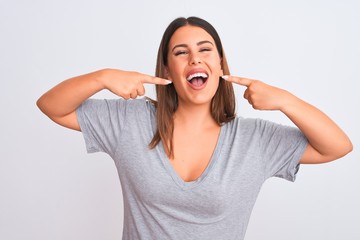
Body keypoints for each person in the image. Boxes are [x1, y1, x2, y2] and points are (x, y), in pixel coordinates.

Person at [37, 16, 352, 240]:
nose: (194, 59)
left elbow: (337, 146)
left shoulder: (254, 139)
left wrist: (285, 100)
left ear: (219, 65)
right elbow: (52, 106)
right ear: (167, 70)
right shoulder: (129, 121)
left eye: (205, 50)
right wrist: (102, 77)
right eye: (180, 52)